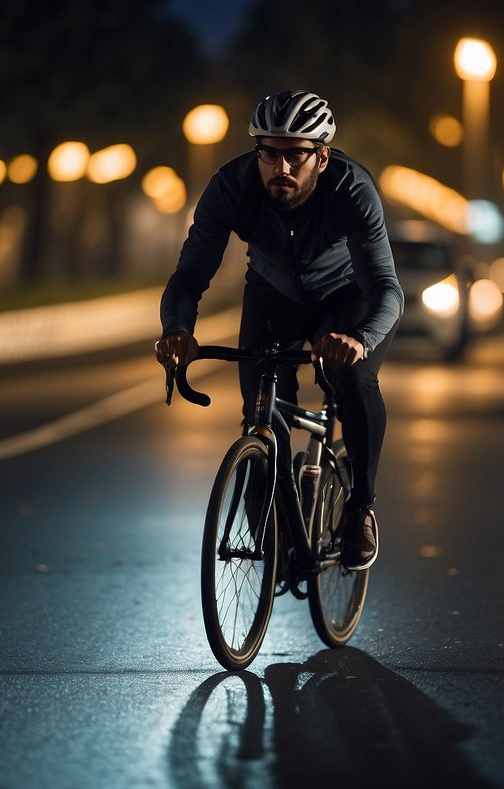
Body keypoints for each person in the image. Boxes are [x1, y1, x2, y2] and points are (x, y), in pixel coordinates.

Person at [155, 90, 403, 570]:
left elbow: (387, 289)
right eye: (269, 153)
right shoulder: (231, 187)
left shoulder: (351, 189)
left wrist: (361, 338)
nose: (281, 168)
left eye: (296, 155)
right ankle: (279, 524)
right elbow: (188, 276)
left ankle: (360, 509)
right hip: (272, 296)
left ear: (322, 157)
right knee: (261, 413)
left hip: (345, 299)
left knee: (355, 381)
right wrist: (178, 329)